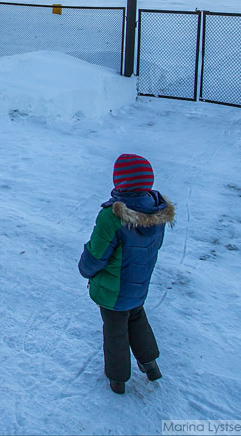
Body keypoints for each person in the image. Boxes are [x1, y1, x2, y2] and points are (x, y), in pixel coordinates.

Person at [78, 153, 175, 394]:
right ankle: (151, 366)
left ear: (119, 182)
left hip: (113, 292)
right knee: (137, 320)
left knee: (115, 333)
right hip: (138, 286)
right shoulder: (157, 212)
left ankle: (117, 380)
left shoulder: (112, 216)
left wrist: (84, 269)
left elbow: (97, 254)